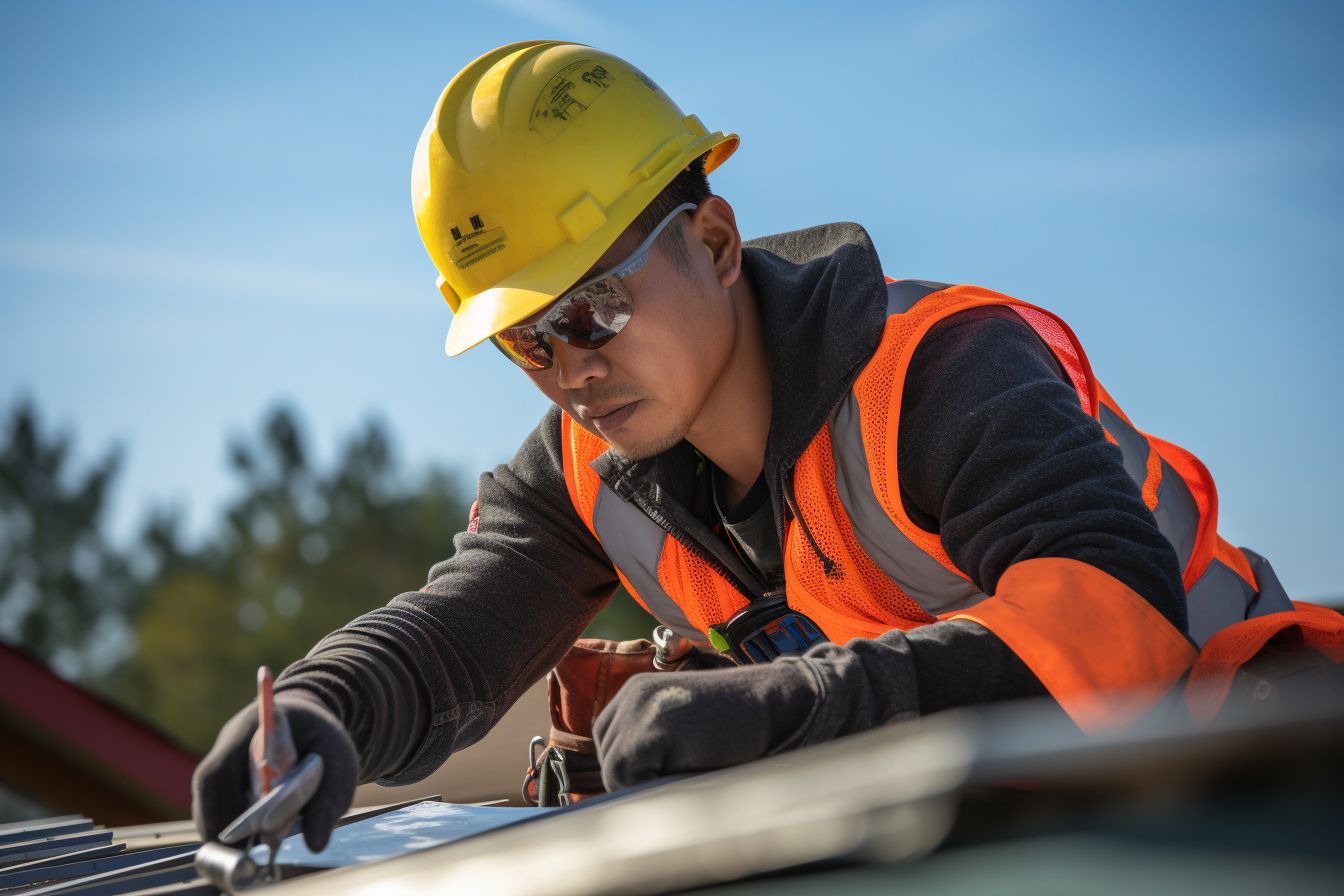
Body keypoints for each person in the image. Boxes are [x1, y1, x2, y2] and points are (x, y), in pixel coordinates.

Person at [192, 40, 1344, 850]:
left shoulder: (942, 368)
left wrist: (783, 708)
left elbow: (1120, 628)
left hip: (1246, 792)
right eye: (526, 342)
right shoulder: (589, 466)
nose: (571, 371)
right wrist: (315, 713)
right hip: (986, 825)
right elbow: (453, 637)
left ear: (715, 237)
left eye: (593, 309)